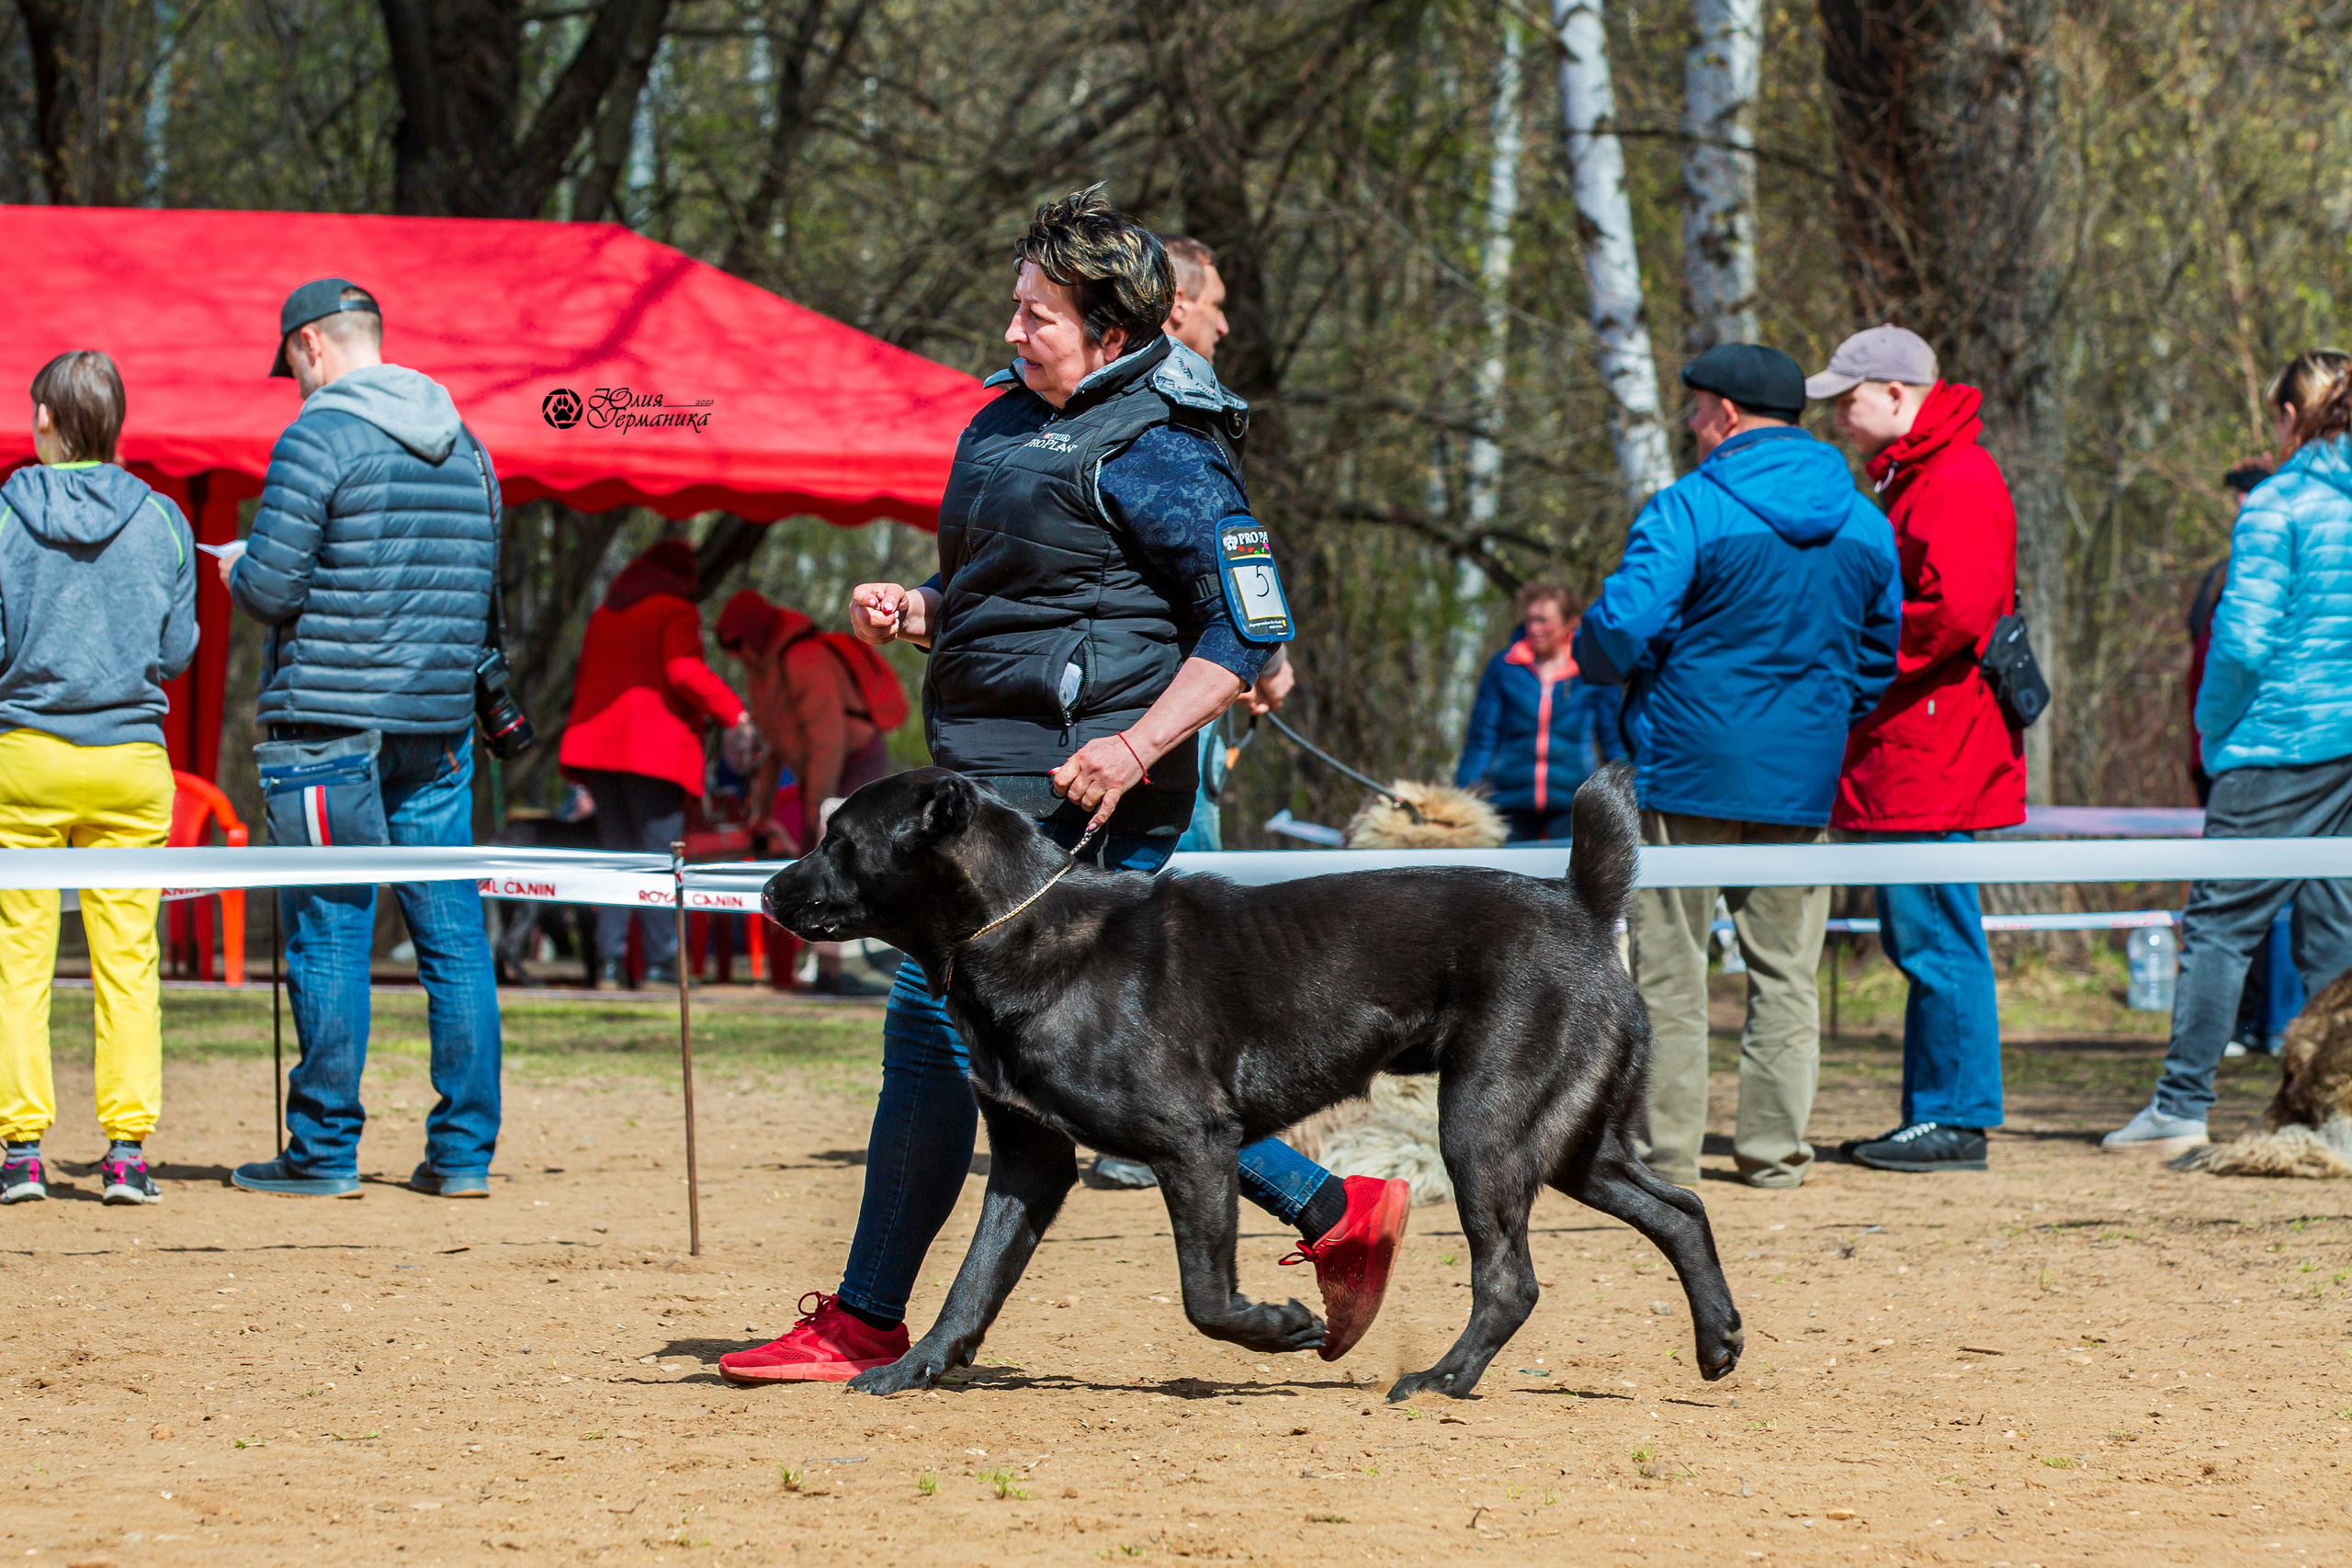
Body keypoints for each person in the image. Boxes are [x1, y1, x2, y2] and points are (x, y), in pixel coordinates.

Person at [718, 188, 1408, 1384]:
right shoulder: (999, 424)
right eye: (1016, 305)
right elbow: (1015, 593)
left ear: (1112, 328)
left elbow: (1247, 633)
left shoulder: (1164, 446)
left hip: (1082, 803)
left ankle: (869, 1315)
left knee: (937, 1039)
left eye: (1039, 313)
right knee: (1084, 1069)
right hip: (980, 793)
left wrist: (1138, 745)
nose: (1014, 327)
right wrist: (921, 610)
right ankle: (1335, 1203)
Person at [1573, 343, 1901, 1190]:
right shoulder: (1865, 519)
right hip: (1801, 774)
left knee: (1671, 973)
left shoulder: (1690, 508)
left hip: (1686, 763)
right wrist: (1821, 717)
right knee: (1788, 974)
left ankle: (1668, 1156)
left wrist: (1599, 653)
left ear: (1723, 412)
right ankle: (1773, 1153)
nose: (1690, 423)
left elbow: (1621, 627)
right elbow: (1879, 651)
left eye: (1695, 408)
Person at [218, 278, 506, 1200]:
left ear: (308, 345)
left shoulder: (317, 437)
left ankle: (322, 1152)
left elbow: (270, 590)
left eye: (289, 365)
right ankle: (462, 1155)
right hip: (438, 726)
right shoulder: (470, 447)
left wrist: (234, 565)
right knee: (453, 941)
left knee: (331, 936)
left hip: (325, 732)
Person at [2107, 350, 2352, 1155]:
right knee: (2334, 927)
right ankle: (2337, 1109)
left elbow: (2240, 643)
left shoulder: (2278, 502)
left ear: (2290, 418)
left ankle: (2181, 1102)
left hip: (2279, 740)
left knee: (2219, 926)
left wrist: (2215, 732)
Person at [1810, 325, 2026, 1174]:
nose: (1840, 416)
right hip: (1916, 741)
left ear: (1897, 394)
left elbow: (1954, 613)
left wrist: (1855, 653)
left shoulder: (1954, 478)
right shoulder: (1925, 473)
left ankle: (1955, 1116)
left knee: (1936, 932)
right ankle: (1938, 1110)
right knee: (1926, 933)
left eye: (1849, 399)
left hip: (1930, 746)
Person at [0, 351, 196, 1207]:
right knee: (128, 961)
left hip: (25, 758)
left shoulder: (3, 518)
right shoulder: (163, 520)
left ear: (46, 415)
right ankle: (126, 1153)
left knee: (18, 959)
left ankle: (19, 1152)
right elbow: (180, 650)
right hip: (130, 764)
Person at [561, 541, 758, 989]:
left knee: (617, 856)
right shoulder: (675, 610)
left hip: (597, 749)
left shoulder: (604, 614)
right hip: (653, 751)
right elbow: (684, 670)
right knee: (659, 857)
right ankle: (660, 965)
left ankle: (608, 966)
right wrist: (734, 713)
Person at [715, 587, 900, 994]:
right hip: (819, 772)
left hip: (854, 760)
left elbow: (828, 740)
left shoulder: (803, 659)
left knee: (836, 851)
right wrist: (759, 814)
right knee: (812, 851)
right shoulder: (762, 674)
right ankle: (811, 963)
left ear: (756, 633)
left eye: (740, 645)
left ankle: (831, 969)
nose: (738, 656)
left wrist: (819, 805)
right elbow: (773, 748)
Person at [2187, 463, 2303, 1059]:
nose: (2240, 506)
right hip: (2227, 757)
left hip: (2267, 750)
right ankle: (2250, 1021)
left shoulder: (2279, 544)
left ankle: (2281, 1024)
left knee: (2259, 906)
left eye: (2247, 496)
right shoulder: (2216, 576)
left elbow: (2245, 649)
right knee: (2245, 904)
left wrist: (2216, 726)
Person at [1455, 583, 1625, 842]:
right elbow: (1482, 738)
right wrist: (1464, 793)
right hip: (1510, 802)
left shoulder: (1593, 669)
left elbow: (1612, 740)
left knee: (1569, 879)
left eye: (1543, 621)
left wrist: (1628, 793)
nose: (1534, 629)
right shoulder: (1504, 668)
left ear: (1571, 623)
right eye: (1530, 620)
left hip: (1572, 802)